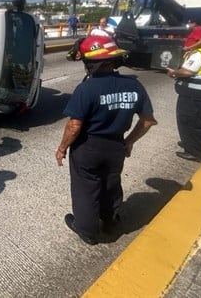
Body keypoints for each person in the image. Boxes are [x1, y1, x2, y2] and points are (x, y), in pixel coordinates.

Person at [56, 36, 157, 245]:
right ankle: (111, 222)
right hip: (116, 145)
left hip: (88, 146)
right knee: (111, 184)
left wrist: (62, 148)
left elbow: (74, 126)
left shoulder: (86, 89)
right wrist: (129, 141)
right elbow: (147, 121)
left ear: (91, 65)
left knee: (86, 188)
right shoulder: (134, 85)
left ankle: (87, 230)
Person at [166, 25, 201, 162]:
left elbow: (187, 71)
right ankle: (199, 143)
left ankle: (195, 152)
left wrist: (174, 73)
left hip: (199, 96)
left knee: (192, 122)